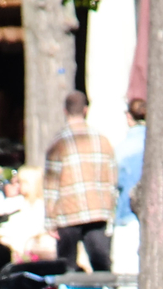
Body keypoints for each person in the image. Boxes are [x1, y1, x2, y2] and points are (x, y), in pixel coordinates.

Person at [44, 90, 118, 270]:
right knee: (102, 266)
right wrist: (110, 209)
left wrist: (49, 220)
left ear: (65, 111)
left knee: (66, 267)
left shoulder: (57, 143)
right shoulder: (103, 141)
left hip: (67, 213)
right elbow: (113, 179)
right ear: (85, 110)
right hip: (97, 211)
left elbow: (51, 185)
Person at [117, 96, 147, 225]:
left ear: (129, 117)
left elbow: (115, 183)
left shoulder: (122, 149)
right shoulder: (158, 144)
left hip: (127, 216)